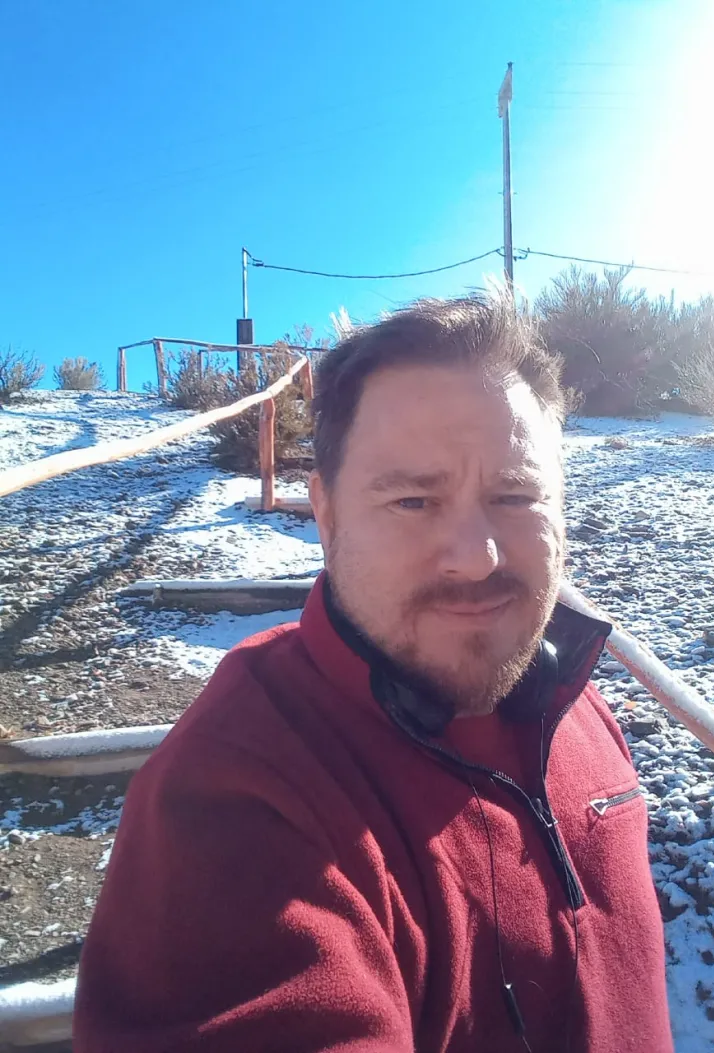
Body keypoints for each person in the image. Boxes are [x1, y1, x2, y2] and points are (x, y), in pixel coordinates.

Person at [74, 293, 673, 1052]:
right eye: (413, 499)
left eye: (516, 495)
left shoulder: (572, 699)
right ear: (326, 517)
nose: (476, 557)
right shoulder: (237, 792)